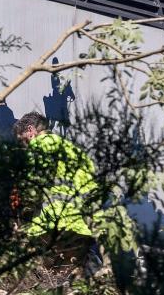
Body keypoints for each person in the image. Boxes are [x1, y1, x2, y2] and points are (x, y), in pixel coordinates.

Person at [13, 111, 101, 271]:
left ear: (30, 131)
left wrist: (22, 197)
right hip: (79, 223)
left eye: (22, 139)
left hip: (53, 223)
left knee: (48, 268)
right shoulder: (71, 149)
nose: (23, 145)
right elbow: (91, 184)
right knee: (79, 269)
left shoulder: (39, 145)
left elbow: (36, 185)